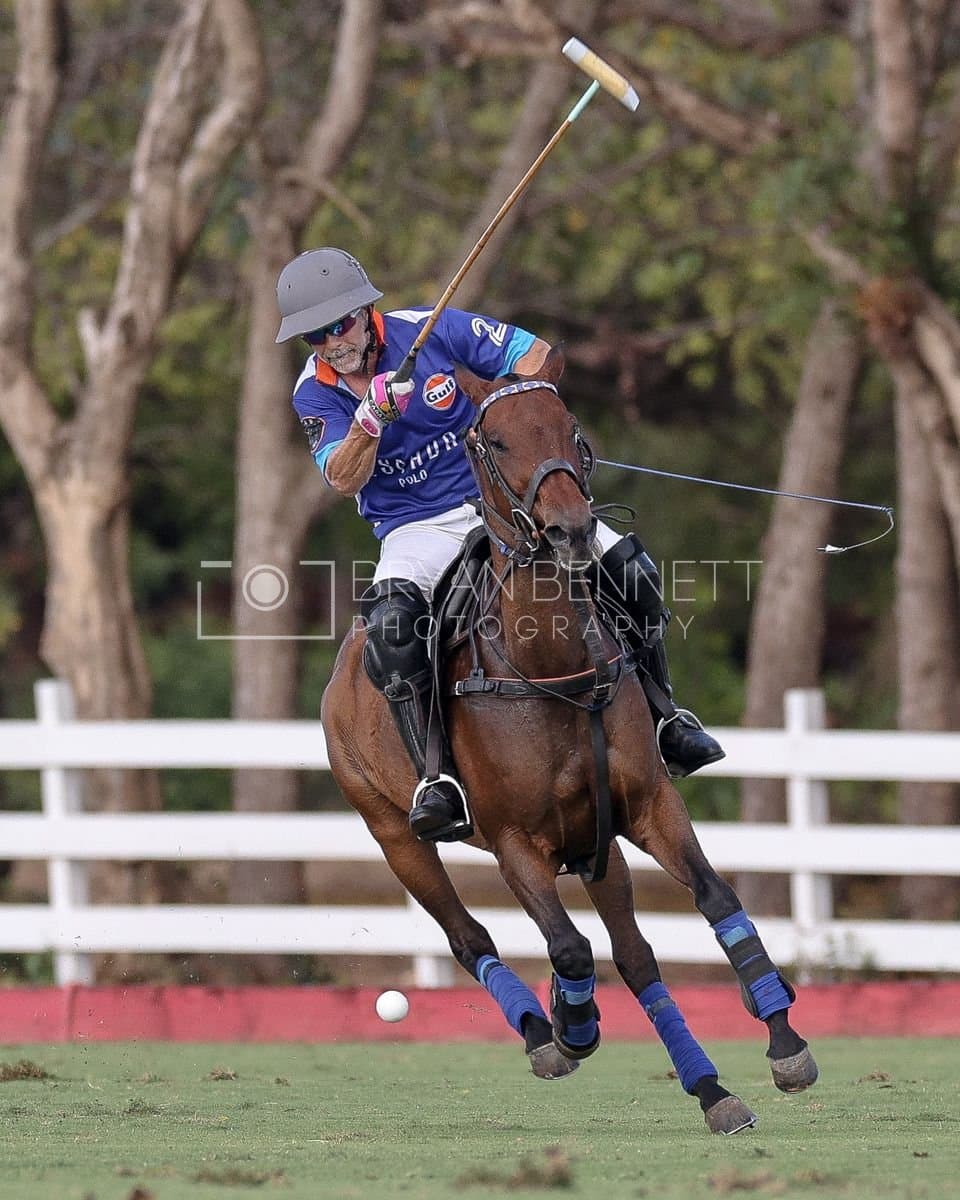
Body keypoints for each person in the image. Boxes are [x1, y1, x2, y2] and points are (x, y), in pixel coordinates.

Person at [276, 247, 723, 843]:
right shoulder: (315, 393)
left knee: (630, 570)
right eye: (314, 335)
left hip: (503, 501)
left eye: (338, 324)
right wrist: (370, 419)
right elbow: (342, 476)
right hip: (416, 528)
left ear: (366, 310)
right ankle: (437, 779)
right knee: (391, 632)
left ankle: (667, 718)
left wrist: (504, 415)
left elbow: (537, 357)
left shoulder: (435, 329)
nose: (332, 342)